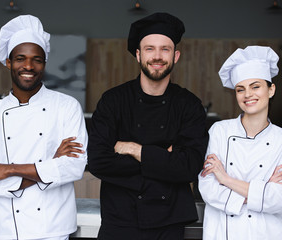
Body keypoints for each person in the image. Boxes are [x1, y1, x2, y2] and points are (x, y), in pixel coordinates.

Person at [87, 12, 208, 240]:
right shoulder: (113, 101)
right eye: (150, 49)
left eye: (165, 49)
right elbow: (97, 161)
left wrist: (136, 150)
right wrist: (163, 159)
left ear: (176, 56)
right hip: (119, 219)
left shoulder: (189, 105)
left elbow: (190, 166)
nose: (157, 56)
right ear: (138, 54)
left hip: (169, 222)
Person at [0, 15, 88, 240]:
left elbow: (74, 167)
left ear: (45, 63)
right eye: (20, 58)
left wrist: (8, 169)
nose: (28, 66)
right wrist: (49, 168)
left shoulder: (67, 107)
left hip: (53, 229)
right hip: (7, 229)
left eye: (37, 59)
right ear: (8, 62)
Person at [198, 46, 282, 240]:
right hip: (222, 233)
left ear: (271, 90)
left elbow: (278, 199)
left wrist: (226, 179)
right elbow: (208, 188)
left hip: (268, 234)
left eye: (255, 86)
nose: (248, 95)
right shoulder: (219, 131)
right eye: (241, 89)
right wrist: (261, 192)